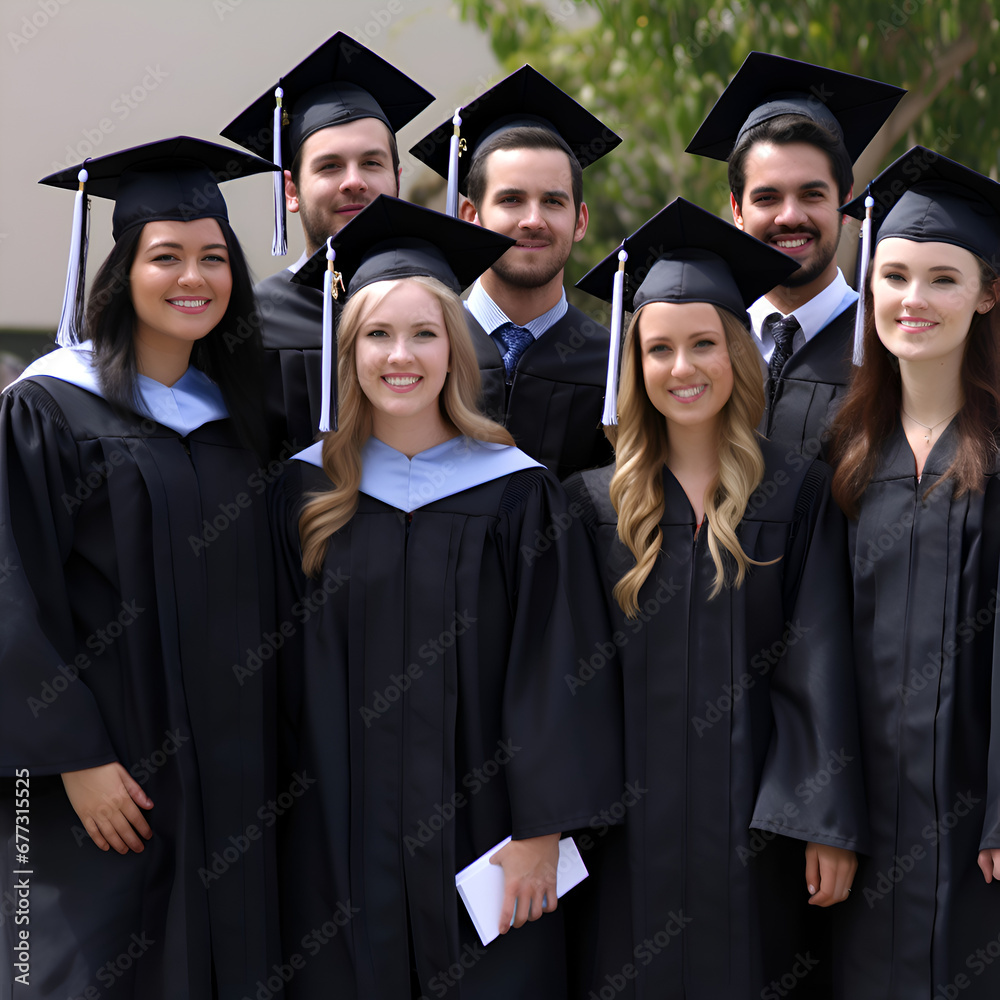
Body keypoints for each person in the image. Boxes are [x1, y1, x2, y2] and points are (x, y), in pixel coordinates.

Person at [271, 196, 623, 998]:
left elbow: (558, 669)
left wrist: (542, 828)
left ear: (455, 349)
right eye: (378, 334)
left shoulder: (517, 493)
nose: (403, 355)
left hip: (488, 843)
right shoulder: (300, 493)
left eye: (425, 332)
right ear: (347, 349)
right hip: (333, 845)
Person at [0, 137, 281, 999]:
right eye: (166, 257)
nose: (192, 276)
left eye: (213, 257)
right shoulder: (48, 407)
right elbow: (10, 590)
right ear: (123, 272)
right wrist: (70, 757)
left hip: (230, 782)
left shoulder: (243, 419)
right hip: (99, 780)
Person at [567, 197, 867, 999]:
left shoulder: (796, 492)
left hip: (756, 836)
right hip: (628, 838)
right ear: (634, 364)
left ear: (738, 353)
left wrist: (821, 819)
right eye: (658, 349)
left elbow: (821, 660)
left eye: (704, 344)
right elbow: (566, 683)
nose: (682, 367)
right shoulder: (591, 506)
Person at [830, 147, 1000, 1000]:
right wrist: (822, 810)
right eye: (894, 276)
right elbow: (809, 649)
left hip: (981, 823)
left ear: (988, 292)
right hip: (867, 820)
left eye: (943, 278)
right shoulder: (846, 457)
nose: (913, 300)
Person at [221, 31, 434, 451]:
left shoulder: (441, 315)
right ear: (291, 191)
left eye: (371, 163)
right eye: (330, 166)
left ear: (396, 178)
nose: (354, 182)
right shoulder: (250, 324)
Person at [687, 52, 905, 458]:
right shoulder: (700, 340)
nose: (790, 217)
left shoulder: (889, 346)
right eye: (767, 197)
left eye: (812, 194)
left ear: (846, 201)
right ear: (737, 210)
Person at [410, 65, 622, 479]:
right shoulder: (424, 346)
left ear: (580, 221)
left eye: (553, 202)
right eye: (511, 200)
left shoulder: (615, 365)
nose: (532, 220)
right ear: (470, 215)